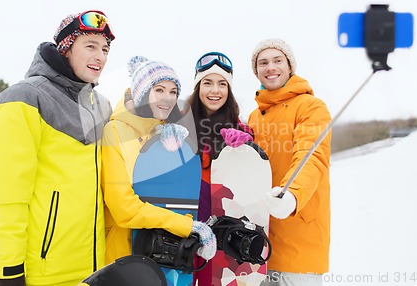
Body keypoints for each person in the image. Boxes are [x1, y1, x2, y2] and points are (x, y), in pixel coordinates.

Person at [0, 10, 115, 286]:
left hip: (93, 269)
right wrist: (9, 269)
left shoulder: (101, 105)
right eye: (89, 46)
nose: (100, 56)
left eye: (105, 49)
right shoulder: (24, 99)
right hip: (41, 273)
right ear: (66, 48)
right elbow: (6, 194)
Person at [101, 56, 216, 266]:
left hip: (159, 253)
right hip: (123, 254)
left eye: (173, 92)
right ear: (142, 93)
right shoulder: (115, 131)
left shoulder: (163, 133)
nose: (167, 98)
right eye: (159, 90)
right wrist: (186, 226)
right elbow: (123, 207)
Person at [248, 39, 332, 286]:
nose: (270, 67)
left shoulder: (311, 107)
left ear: (289, 67)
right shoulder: (254, 116)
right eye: (263, 63)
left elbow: (311, 156)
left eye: (277, 61)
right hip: (259, 244)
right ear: (256, 71)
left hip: (298, 238)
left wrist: (293, 195)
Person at [187, 52, 253, 286]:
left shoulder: (240, 126)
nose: (215, 90)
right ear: (197, 87)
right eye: (207, 83)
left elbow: (252, 175)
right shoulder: (180, 122)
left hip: (221, 223)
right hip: (184, 222)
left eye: (222, 84)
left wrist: (246, 144)